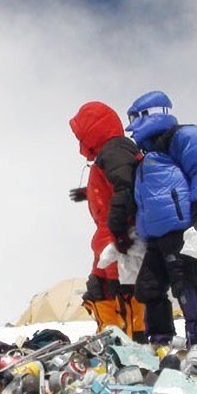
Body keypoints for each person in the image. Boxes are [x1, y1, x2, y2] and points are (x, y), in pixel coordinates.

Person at [125, 90, 197, 347]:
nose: (131, 129)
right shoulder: (147, 158)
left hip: (182, 230)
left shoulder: (183, 138)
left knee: (187, 283)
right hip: (156, 237)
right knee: (149, 287)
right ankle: (160, 340)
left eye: (135, 120)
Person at [69, 102, 148, 343]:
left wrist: (118, 229)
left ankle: (130, 344)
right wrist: (89, 192)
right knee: (103, 289)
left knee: (121, 291)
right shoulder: (112, 153)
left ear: (92, 130)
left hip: (119, 237)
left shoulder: (114, 150)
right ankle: (112, 340)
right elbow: (118, 183)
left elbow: (125, 186)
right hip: (110, 237)